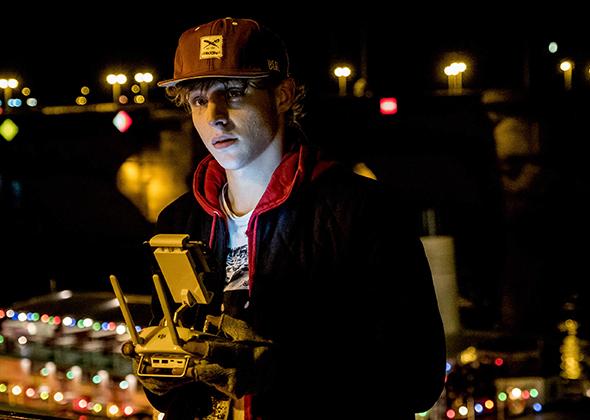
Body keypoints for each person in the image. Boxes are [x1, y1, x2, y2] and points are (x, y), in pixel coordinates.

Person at [132, 16, 446, 420]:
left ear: (283, 94)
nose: (214, 116)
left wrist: (278, 368)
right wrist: (160, 374)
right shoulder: (178, 221)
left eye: (234, 93)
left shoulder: (363, 211)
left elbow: (417, 378)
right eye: (198, 100)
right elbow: (170, 388)